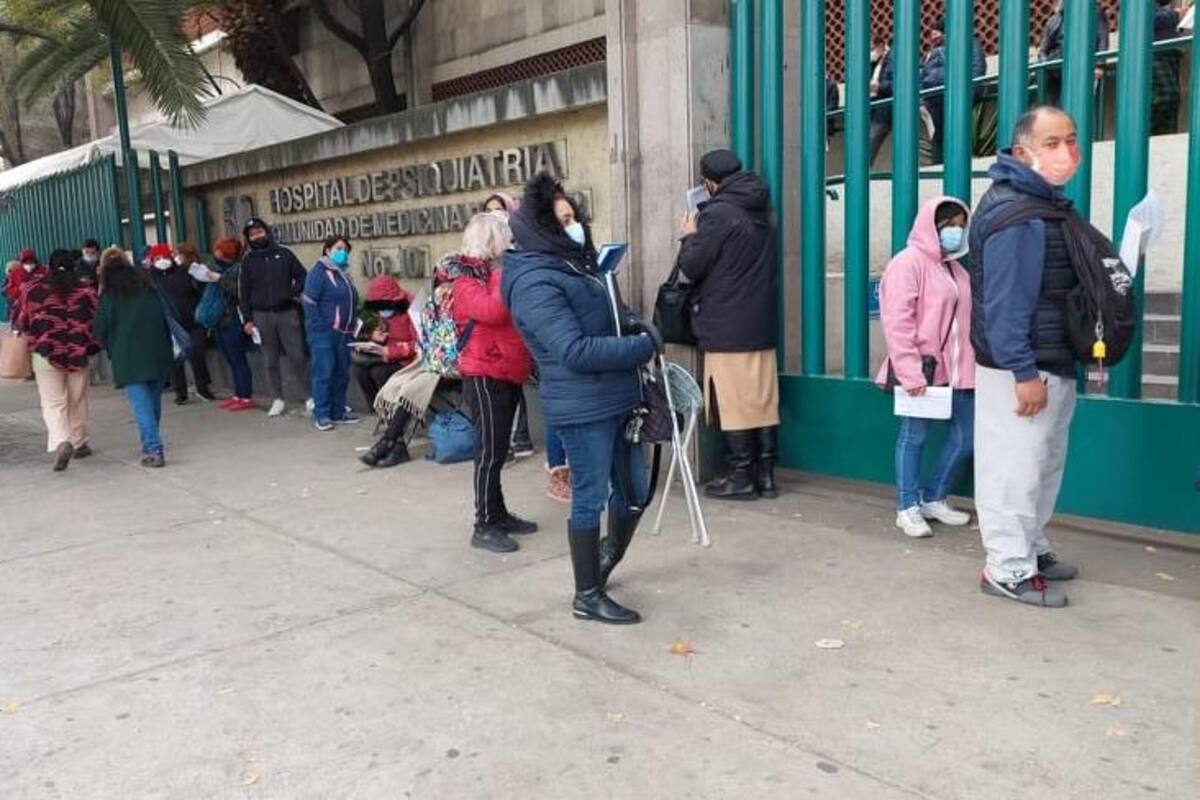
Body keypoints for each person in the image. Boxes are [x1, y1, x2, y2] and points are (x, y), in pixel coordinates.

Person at [502, 171, 657, 625]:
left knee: (634, 492)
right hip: (582, 407)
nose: (575, 225)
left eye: (574, 216)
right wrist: (644, 346)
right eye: (563, 219)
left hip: (617, 398)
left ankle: (604, 558)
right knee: (590, 498)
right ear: (542, 228)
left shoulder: (575, 265)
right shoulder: (533, 281)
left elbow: (609, 315)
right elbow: (574, 350)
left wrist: (633, 323)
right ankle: (586, 594)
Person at [969, 106, 1089, 608]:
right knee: (1013, 469)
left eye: (1072, 140)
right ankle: (1007, 568)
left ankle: (1031, 548)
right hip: (1023, 367)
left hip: (1052, 358)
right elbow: (1005, 303)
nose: (1067, 153)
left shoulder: (1045, 206)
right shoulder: (1015, 215)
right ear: (1023, 153)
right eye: (1054, 143)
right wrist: (1023, 372)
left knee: (1043, 465)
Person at [677, 149, 780, 502]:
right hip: (760, 322)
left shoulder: (718, 214)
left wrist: (689, 234)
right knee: (762, 400)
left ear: (709, 182)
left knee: (734, 401)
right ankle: (765, 475)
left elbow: (691, 267)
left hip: (726, 323)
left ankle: (741, 477)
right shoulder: (760, 206)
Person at [876, 197, 976, 538]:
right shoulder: (908, 263)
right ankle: (907, 507)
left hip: (960, 371)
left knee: (966, 437)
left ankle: (934, 497)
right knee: (914, 436)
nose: (956, 231)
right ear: (931, 226)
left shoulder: (955, 268)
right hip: (924, 369)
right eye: (949, 225)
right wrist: (910, 372)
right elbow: (897, 322)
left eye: (961, 225)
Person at [438, 213, 537, 553]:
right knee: (489, 451)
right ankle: (483, 524)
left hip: (505, 369)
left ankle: (497, 513)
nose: (511, 244)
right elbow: (494, 311)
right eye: (505, 238)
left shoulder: (492, 275)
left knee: (497, 449)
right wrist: (501, 274)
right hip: (484, 372)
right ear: (491, 241)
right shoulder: (467, 281)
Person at [13, 250, 100, 471]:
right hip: (77, 352)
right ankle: (79, 442)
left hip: (45, 354)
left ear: (48, 266)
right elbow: (97, 321)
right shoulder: (85, 291)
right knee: (77, 399)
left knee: (53, 403)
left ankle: (62, 440)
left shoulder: (33, 290)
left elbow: (21, 319)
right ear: (73, 265)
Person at [94, 247, 175, 467]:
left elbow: (99, 328)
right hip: (158, 351)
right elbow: (168, 312)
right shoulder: (148, 285)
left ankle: (154, 448)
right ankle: (150, 441)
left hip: (128, 356)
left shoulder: (109, 295)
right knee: (153, 402)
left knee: (141, 405)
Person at [484, 191, 537, 459]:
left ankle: (517, 439)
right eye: (489, 210)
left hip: (517, 323)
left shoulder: (521, 247)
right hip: (496, 326)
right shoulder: (484, 249)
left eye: (499, 209)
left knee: (512, 380)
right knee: (506, 382)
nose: (495, 215)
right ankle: (517, 439)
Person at [239, 216, 308, 417]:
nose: (257, 236)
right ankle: (277, 399)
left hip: (287, 312)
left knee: (297, 356)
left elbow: (302, 275)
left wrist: (291, 292)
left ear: (267, 232)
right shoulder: (248, 261)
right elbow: (243, 293)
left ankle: (309, 397)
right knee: (270, 360)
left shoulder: (284, 254)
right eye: (252, 235)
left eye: (259, 232)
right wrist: (247, 320)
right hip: (261, 316)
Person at [302, 235, 360, 431]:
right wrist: (322, 327)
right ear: (327, 250)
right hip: (325, 334)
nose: (342, 252)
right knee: (324, 373)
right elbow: (309, 302)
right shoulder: (318, 273)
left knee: (341, 374)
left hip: (344, 333)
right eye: (338, 248)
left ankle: (338, 411)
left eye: (345, 249)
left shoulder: (343, 273)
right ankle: (322, 414)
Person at [148, 242, 214, 404]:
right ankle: (180, 392)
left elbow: (198, 288)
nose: (162, 260)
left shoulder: (184, 272)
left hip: (192, 320)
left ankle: (203, 388)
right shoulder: (151, 278)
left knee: (197, 354)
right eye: (158, 257)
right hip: (171, 325)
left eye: (165, 256)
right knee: (176, 359)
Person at [920, 18, 987, 164]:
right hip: (933, 97)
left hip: (957, 95)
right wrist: (921, 99)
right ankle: (937, 170)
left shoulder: (968, 43)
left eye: (937, 34)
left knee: (957, 131)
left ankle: (960, 167)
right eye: (932, 35)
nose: (933, 38)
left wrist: (970, 92)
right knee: (938, 134)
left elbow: (977, 67)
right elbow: (922, 74)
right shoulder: (931, 53)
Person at [352, 275, 417, 409]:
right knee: (358, 370)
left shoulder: (412, 309)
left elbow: (419, 344)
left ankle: (395, 409)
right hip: (384, 353)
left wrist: (391, 351)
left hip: (407, 359)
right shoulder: (379, 309)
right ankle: (378, 408)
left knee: (379, 373)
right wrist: (371, 339)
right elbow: (375, 329)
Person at [210, 237, 255, 411]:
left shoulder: (238, 269)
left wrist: (219, 278)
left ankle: (245, 396)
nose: (216, 253)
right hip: (220, 319)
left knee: (238, 359)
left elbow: (238, 291)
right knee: (230, 359)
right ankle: (238, 393)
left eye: (219, 250)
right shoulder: (218, 267)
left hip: (233, 319)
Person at [1038, 2, 1110, 108]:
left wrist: (1099, 65)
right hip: (1056, 72)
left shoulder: (1094, 12)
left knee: (1081, 106)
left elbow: (1102, 39)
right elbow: (1043, 51)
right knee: (1056, 108)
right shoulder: (1054, 20)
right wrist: (1047, 64)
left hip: (1083, 68)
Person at [1151, 0, 1184, 135]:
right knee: (1166, 97)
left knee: (1172, 101)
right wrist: (1176, 15)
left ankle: (1166, 138)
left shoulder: (1161, 7)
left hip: (1169, 55)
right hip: (1155, 55)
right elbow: (1147, 20)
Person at [868, 35, 896, 166]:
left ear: (880, 46)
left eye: (872, 48)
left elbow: (897, 84)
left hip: (885, 108)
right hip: (873, 107)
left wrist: (880, 87)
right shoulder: (875, 62)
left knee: (871, 139)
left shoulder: (893, 58)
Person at [5, 249, 46, 317]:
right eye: (26, 262)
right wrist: (19, 289)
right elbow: (9, 290)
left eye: (31, 262)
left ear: (35, 261)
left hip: (41, 305)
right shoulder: (15, 273)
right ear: (22, 262)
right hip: (23, 307)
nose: (29, 264)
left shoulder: (43, 271)